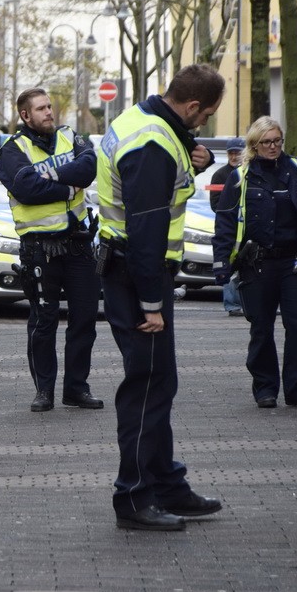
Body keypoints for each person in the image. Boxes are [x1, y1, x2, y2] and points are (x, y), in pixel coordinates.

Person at [97, 64, 224, 531]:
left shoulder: (144, 121)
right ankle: (132, 497)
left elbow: (160, 182)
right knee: (146, 388)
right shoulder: (153, 144)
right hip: (138, 276)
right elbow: (146, 228)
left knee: (157, 384)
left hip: (130, 271)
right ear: (191, 106)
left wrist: (195, 157)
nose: (204, 123)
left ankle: (167, 484)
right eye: (205, 114)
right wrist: (152, 303)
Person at [0, 87, 103, 412]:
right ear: (25, 115)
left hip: (80, 244)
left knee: (84, 319)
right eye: (41, 109)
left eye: (49, 107)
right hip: (40, 248)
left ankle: (76, 389)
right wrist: (68, 186)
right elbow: (26, 188)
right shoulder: (12, 150)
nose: (48, 113)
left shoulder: (73, 137)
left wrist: (50, 176)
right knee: (44, 321)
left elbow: (88, 169)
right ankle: (44, 391)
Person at [212, 117, 297, 410]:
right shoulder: (241, 177)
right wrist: (221, 262)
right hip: (257, 263)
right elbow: (226, 221)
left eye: (277, 141)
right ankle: (265, 387)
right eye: (266, 142)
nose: (273, 147)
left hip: (294, 261)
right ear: (254, 145)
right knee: (261, 328)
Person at [209, 137, 245, 316]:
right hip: (230, 228)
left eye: (237, 153)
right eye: (231, 153)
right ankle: (232, 304)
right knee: (229, 264)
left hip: (245, 229)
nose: (234, 156)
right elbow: (215, 204)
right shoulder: (220, 175)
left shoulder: (248, 172)